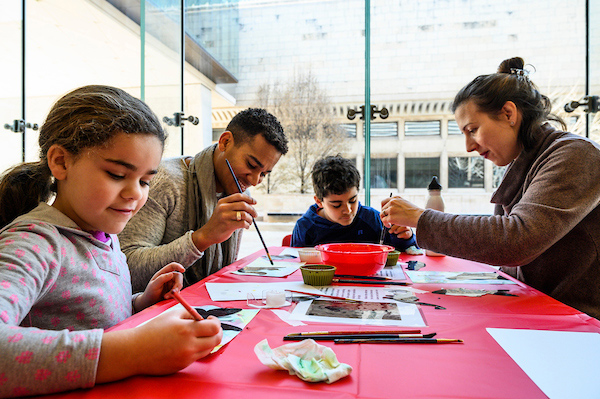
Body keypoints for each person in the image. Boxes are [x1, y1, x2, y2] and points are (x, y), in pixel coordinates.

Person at [0, 85, 223, 398]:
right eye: (118, 174)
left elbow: (85, 319)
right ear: (61, 162)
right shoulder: (34, 244)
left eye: (146, 181)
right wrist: (135, 351)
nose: (136, 193)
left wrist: (140, 302)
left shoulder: (105, 235)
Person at [380, 57, 600, 320]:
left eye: (472, 130)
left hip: (577, 322)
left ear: (509, 113)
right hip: (537, 310)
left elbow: (516, 240)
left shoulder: (576, 154)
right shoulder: (525, 161)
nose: (468, 146)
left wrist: (420, 218)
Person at [119, 108, 288, 292]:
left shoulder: (240, 194)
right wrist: (203, 237)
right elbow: (127, 268)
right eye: (251, 165)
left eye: (264, 174)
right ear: (225, 142)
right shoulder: (166, 181)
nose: (254, 181)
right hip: (157, 313)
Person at [292, 155, 417, 250]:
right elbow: (295, 267)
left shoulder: (372, 219)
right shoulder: (305, 227)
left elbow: (408, 251)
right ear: (319, 201)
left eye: (353, 200)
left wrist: (407, 237)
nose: (348, 210)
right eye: (336, 205)